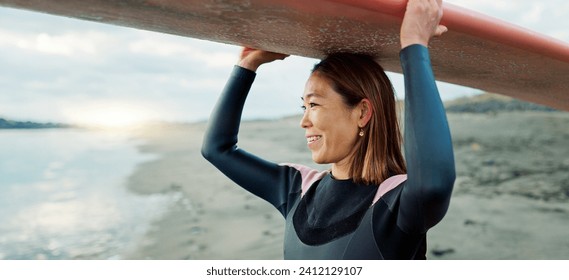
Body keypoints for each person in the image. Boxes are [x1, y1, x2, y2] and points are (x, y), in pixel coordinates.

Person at [201, 0, 455, 259]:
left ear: (362, 113)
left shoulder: (395, 200)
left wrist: (414, 46)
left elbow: (433, 183)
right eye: (304, 107)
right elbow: (216, 149)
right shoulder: (298, 188)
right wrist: (246, 66)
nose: (304, 121)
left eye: (314, 104)